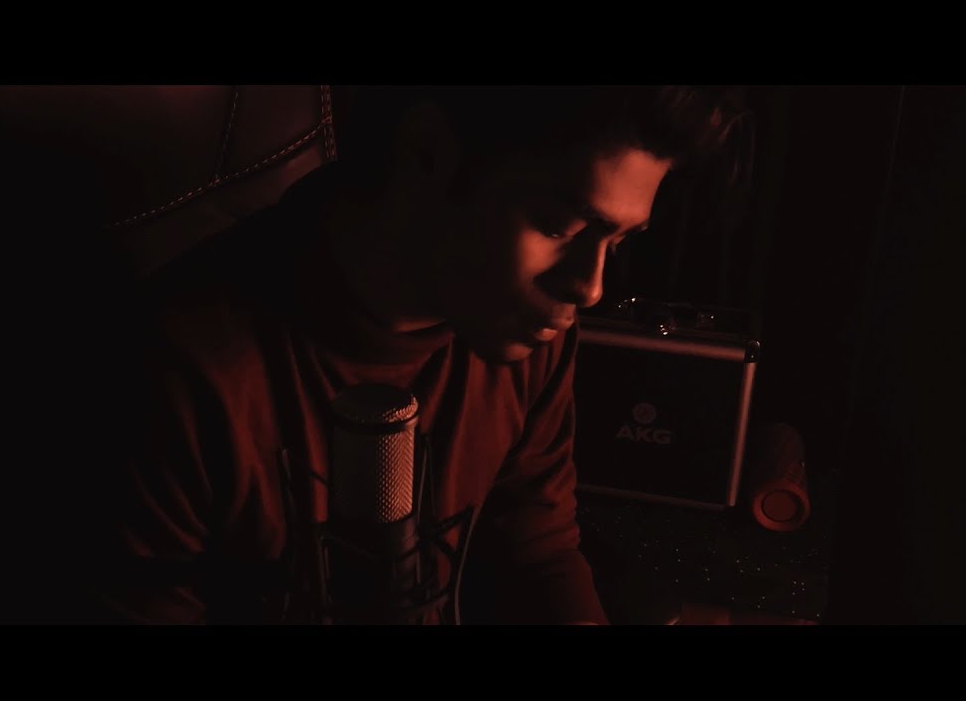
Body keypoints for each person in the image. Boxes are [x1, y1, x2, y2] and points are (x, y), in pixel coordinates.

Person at [105, 86, 750, 624]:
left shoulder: (527, 323)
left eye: (619, 241)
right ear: (428, 152)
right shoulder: (185, 368)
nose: (590, 287)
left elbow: (537, 543)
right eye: (561, 225)